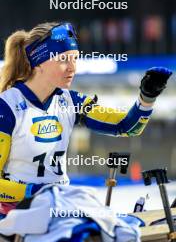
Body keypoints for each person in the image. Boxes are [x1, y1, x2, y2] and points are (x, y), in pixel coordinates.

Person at [0, 22, 172, 219]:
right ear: (38, 60)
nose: (72, 67)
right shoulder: (6, 107)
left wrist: (147, 98)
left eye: (75, 58)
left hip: (59, 207)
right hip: (17, 215)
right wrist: (34, 191)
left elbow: (126, 126)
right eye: (63, 59)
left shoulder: (70, 101)